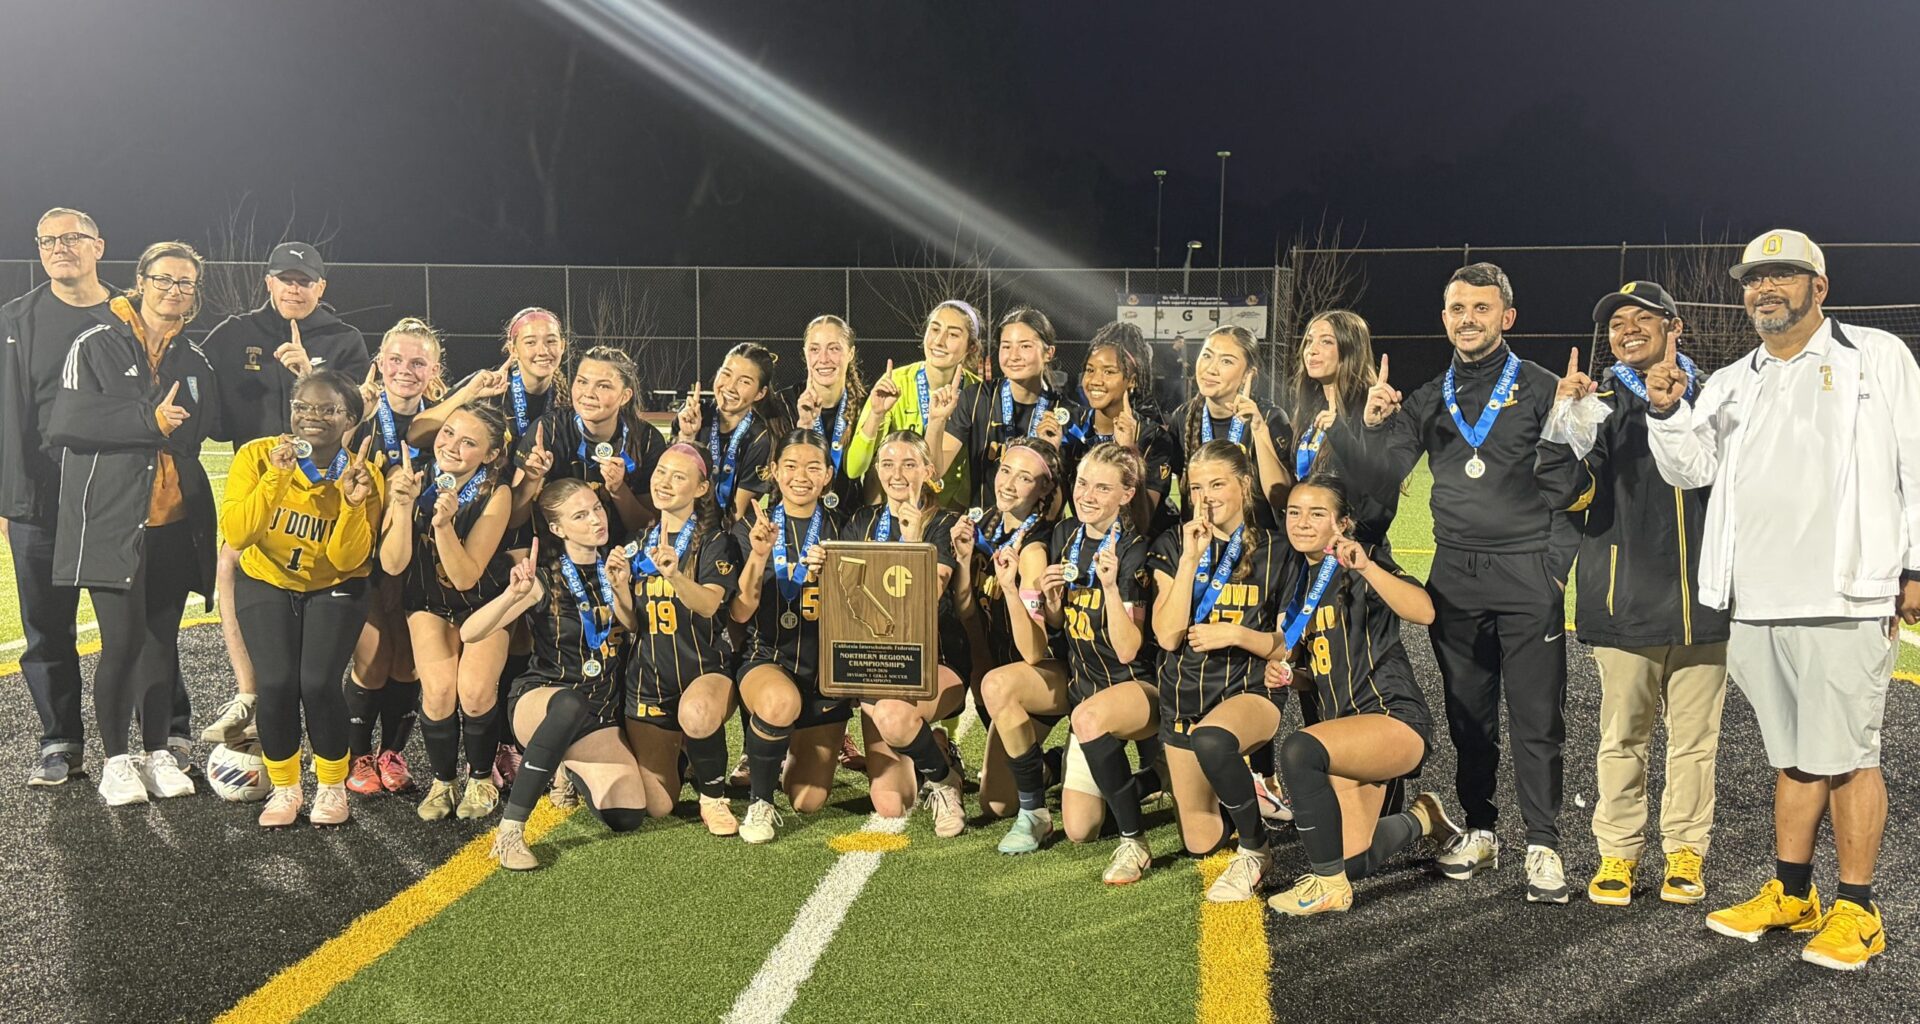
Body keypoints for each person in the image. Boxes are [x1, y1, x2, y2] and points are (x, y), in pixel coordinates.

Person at [1644, 230, 1920, 971]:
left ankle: (1858, 910)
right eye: (1755, 279)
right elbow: (1690, 469)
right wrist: (1667, 413)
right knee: (1795, 756)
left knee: (1851, 753)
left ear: (1819, 288)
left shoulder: (1877, 357)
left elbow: (1915, 456)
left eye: (1783, 276)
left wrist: (1917, 563)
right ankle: (1792, 892)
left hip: (1847, 592)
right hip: (1757, 600)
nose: (1766, 288)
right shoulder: (1734, 379)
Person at [1362, 262, 1581, 903]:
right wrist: (1373, 426)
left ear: (1506, 317)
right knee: (1469, 718)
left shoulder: (1544, 389)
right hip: (1454, 574)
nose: (1468, 319)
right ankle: (1482, 829)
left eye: (1480, 308)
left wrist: (1552, 570)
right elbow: (1384, 477)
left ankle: (1543, 843)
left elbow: (1573, 496)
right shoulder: (1428, 398)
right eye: (1457, 308)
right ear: (1444, 318)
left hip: (1526, 572)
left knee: (1538, 718)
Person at [1537, 281, 1730, 908]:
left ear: (1676, 326)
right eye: (1617, 322)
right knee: (1622, 738)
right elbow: (1561, 491)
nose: (1627, 328)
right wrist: (1562, 425)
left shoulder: (1720, 394)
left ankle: (1684, 852)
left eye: (1642, 318)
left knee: (1696, 740)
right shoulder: (1596, 400)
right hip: (1622, 601)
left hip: (1706, 602)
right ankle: (1618, 853)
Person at [2, 208, 187, 785]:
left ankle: (166, 732)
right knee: (47, 625)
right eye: (48, 240)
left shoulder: (131, 313)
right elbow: (10, 414)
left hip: (119, 499)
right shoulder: (18, 319)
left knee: (145, 622)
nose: (60, 248)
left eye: (73, 238)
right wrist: (11, 499)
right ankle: (60, 741)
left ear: (99, 246)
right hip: (45, 499)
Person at [48, 241, 220, 805]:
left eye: (186, 283)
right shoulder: (94, 342)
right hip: (111, 522)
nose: (175, 290)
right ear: (140, 282)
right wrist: (148, 419)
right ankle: (116, 762)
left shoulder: (194, 360)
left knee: (160, 643)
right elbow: (68, 421)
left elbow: (204, 432)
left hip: (173, 522)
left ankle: (157, 753)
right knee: (120, 643)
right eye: (165, 279)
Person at [1261, 476, 1458, 916]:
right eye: (1294, 512)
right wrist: (1290, 677)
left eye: (1317, 514)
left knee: (1298, 750)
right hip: (1345, 730)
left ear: (1343, 523)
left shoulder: (1359, 561)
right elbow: (1318, 672)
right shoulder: (1297, 582)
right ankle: (1424, 817)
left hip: (1392, 717)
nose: (1302, 522)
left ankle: (1329, 887)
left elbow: (1424, 611)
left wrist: (1367, 565)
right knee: (1354, 859)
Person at [201, 241, 371, 749]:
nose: (294, 288)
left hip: (323, 492)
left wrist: (308, 375)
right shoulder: (234, 333)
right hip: (262, 481)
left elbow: (357, 411)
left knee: (327, 590)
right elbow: (201, 392)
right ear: (268, 281)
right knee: (231, 563)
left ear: (321, 286)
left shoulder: (345, 339)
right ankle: (250, 693)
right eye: (285, 278)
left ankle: (338, 705)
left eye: (305, 281)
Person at [986, 442, 1160, 883]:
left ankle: (1134, 841)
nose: (1087, 495)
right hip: (1084, 688)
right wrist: (1028, 595)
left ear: (1126, 493)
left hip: (1137, 688)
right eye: (1083, 483)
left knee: (1088, 718)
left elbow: (1127, 651)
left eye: (1103, 488)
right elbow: (1044, 641)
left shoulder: (1138, 550)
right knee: (1080, 829)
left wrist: (1111, 588)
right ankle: (1037, 810)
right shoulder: (1064, 537)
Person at [220, 373, 382, 827]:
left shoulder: (362, 474)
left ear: (350, 418)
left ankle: (331, 788)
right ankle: (286, 788)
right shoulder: (256, 456)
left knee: (316, 682)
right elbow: (238, 533)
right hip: (267, 578)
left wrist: (351, 503)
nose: (313, 417)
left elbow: (347, 559)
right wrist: (276, 477)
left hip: (335, 583)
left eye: (328, 410)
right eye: (304, 407)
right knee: (274, 682)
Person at [465, 479, 649, 870]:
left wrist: (621, 591)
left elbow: (632, 627)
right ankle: (511, 830)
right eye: (579, 516)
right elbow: (470, 633)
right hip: (544, 699)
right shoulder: (542, 579)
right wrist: (511, 597)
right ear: (558, 529)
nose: (595, 520)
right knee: (568, 704)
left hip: (596, 712)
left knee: (627, 814)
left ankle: (565, 766)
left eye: (597, 509)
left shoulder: (616, 568)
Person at [1148, 440, 1295, 902]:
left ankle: (1256, 849)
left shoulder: (1277, 548)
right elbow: (1169, 637)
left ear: (1244, 484)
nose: (1206, 497)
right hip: (1184, 695)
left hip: (1247, 692)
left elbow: (1287, 643)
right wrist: (1191, 558)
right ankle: (1239, 790)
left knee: (1214, 739)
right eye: (1196, 487)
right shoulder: (1174, 543)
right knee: (1201, 841)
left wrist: (1235, 636)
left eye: (1217, 484)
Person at [380, 404, 515, 821]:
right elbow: (393, 564)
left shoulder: (497, 492)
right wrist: (402, 508)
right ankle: (443, 781)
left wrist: (442, 527)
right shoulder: (410, 477)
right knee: (438, 692)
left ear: (490, 455)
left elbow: (466, 577)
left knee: (474, 691)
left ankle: (479, 777)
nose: (451, 446)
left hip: (484, 603)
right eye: (449, 433)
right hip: (427, 602)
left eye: (469, 442)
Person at [842, 431, 970, 835]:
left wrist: (912, 540)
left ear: (929, 471)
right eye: (888, 464)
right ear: (877, 471)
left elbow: (925, 600)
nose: (897, 474)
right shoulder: (862, 522)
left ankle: (943, 777)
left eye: (909, 464)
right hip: (877, 668)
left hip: (934, 660)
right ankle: (928, 745)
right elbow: (844, 596)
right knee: (891, 804)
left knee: (894, 718)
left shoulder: (945, 523)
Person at [344, 318, 448, 796]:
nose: (406, 371)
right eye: (396, 361)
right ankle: (357, 756)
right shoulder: (357, 419)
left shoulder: (449, 424)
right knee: (373, 656)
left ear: (433, 370)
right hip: (366, 558)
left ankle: (393, 753)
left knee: (408, 660)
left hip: (425, 559)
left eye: (418, 362)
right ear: (379, 365)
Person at [729, 430, 847, 844]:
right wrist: (760, 555)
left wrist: (834, 575)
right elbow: (741, 611)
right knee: (780, 703)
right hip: (769, 657)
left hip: (827, 671)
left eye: (814, 466)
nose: (802, 475)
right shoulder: (749, 528)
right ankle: (760, 802)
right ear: (775, 471)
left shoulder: (842, 527)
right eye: (791, 466)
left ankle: (775, 747)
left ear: (828, 475)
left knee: (808, 799)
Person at [620, 444, 743, 836]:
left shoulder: (715, 541)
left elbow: (709, 605)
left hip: (702, 670)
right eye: (660, 472)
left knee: (698, 714)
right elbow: (630, 624)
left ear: (701, 488)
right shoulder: (636, 542)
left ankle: (712, 796)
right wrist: (619, 588)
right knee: (658, 806)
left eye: (678, 477)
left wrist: (675, 576)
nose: (665, 482)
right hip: (649, 679)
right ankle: (684, 756)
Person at [956, 436, 1066, 819]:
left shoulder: (1034, 549)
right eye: (1005, 470)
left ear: (1044, 488)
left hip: (1045, 677)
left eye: (1024, 478)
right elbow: (969, 613)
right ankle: (1053, 766)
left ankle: (1071, 759)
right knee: (997, 802)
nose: (1008, 483)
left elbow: (1035, 651)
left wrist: (1009, 588)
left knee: (998, 803)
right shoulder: (985, 525)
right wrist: (965, 565)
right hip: (1000, 673)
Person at [932, 307, 1083, 508]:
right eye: (1006, 347)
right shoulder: (976, 398)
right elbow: (935, 470)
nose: (1014, 356)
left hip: (1039, 532)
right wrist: (936, 421)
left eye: (1025, 346)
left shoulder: (1067, 414)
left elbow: (1068, 501)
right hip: (983, 531)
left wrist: (1051, 454)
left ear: (1048, 353)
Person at [513, 345, 669, 537]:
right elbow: (513, 520)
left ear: (625, 396)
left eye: (603, 386)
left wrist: (618, 489)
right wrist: (531, 479)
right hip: (557, 552)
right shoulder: (549, 429)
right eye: (582, 382)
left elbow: (649, 526)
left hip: (622, 554)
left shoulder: (647, 440)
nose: (588, 393)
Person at [844, 300, 985, 507]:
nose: (939, 341)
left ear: (971, 346)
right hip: (892, 511)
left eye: (953, 334)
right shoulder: (895, 383)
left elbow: (965, 474)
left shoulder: (978, 394)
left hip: (948, 514)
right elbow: (854, 469)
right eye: (934, 329)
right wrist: (875, 415)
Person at [1287, 311, 1400, 546]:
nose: (1312, 350)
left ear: (1350, 349)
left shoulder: (1374, 411)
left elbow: (1379, 502)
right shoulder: (1308, 410)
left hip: (1353, 552)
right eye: (1309, 341)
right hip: (1310, 549)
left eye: (1326, 341)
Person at [1171, 325, 1292, 528]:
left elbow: (1280, 498)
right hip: (1202, 545)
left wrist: (1259, 429)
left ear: (1248, 374)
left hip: (1257, 546)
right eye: (1207, 356)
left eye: (1226, 361)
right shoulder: (1183, 417)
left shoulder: (1270, 418)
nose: (1211, 368)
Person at [1070, 326, 1181, 537]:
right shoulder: (1071, 428)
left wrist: (1128, 450)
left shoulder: (1154, 437)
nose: (1095, 380)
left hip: (1145, 546)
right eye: (1090, 369)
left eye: (1109, 371)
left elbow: (1143, 521)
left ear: (1131, 381)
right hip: (1088, 547)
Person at [672, 342, 783, 521]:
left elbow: (737, 515)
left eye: (744, 381)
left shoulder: (760, 439)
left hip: (724, 532)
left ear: (760, 394)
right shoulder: (694, 416)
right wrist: (687, 437)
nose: (730, 387)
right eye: (726, 374)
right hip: (681, 521)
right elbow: (671, 485)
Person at [785, 314, 868, 516]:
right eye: (815, 349)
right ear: (805, 354)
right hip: (798, 521)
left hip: (855, 523)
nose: (823, 359)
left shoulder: (868, 407)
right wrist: (804, 424)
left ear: (850, 353)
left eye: (834, 349)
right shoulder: (783, 405)